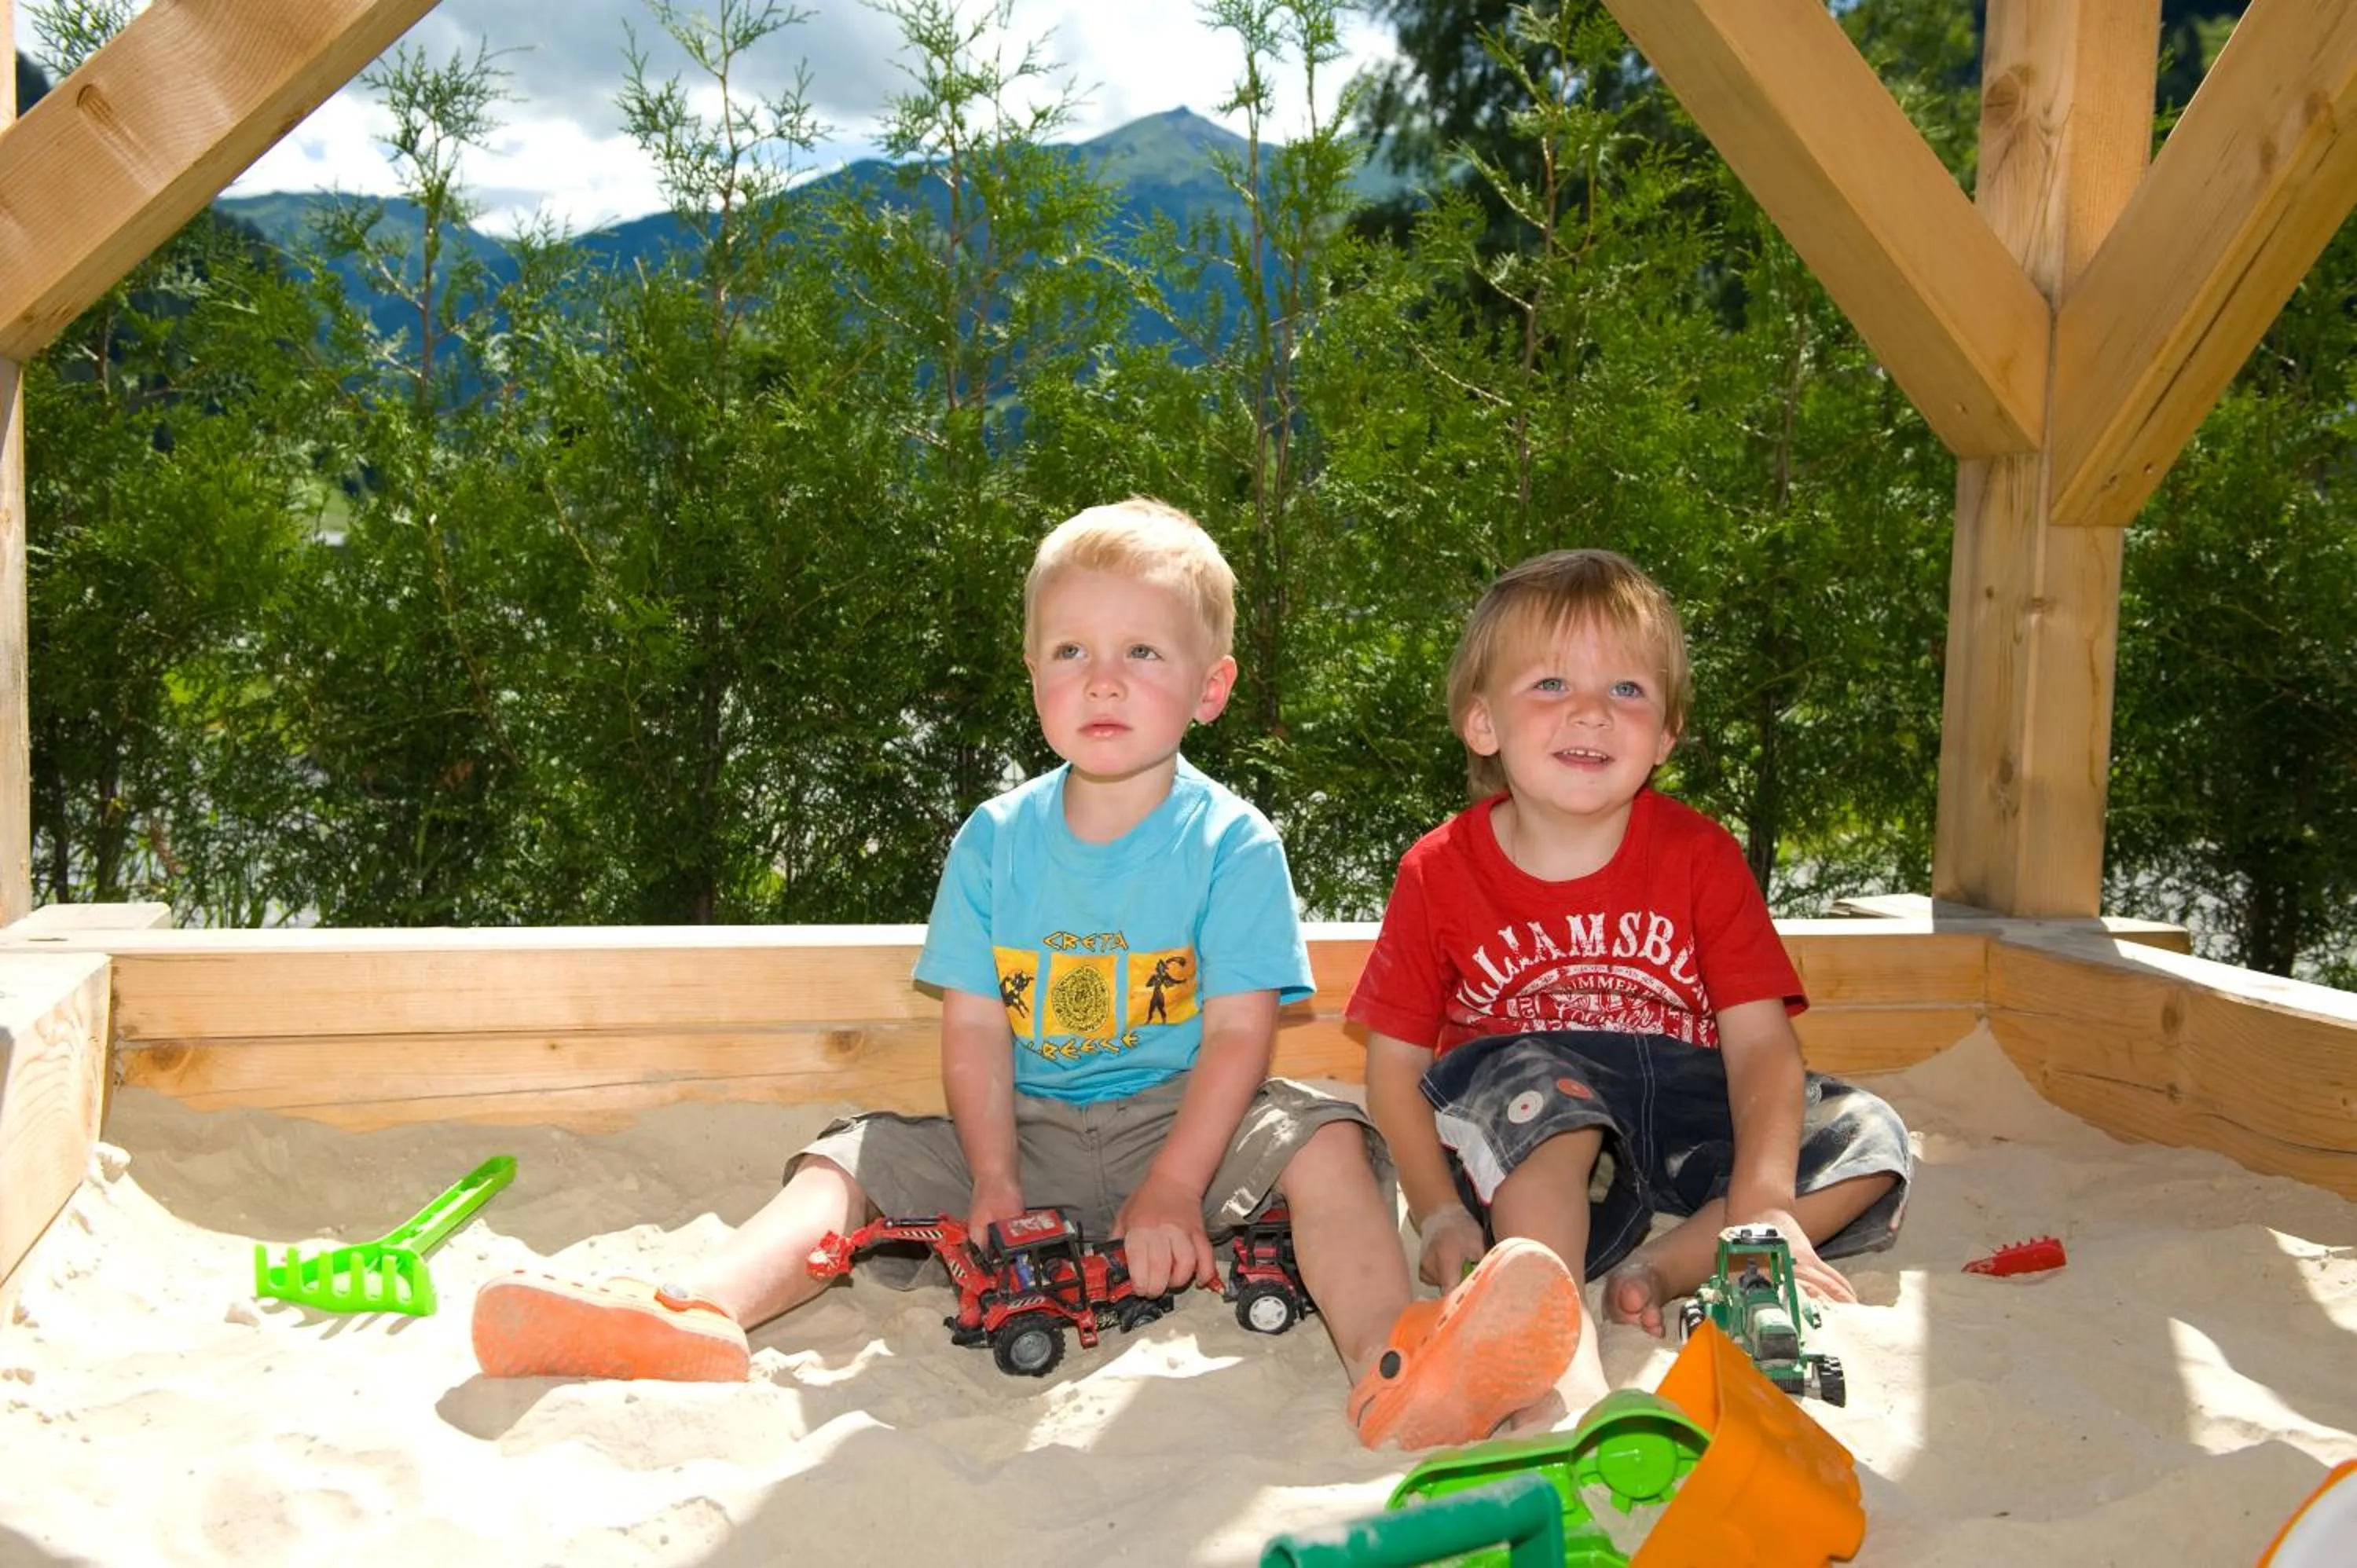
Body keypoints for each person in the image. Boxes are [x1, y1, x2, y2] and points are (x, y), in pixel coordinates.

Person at [470, 498, 1579, 1451]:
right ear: (1035, 674)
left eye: (1143, 653)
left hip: (1180, 1125)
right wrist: (994, 1179)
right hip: (1026, 1128)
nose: (1103, 680)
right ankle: (698, 1311)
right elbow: (975, 1033)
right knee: (848, 1155)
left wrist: (1176, 1187)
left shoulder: (1233, 842)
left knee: (1332, 1142)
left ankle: (1396, 1366)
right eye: (1070, 653)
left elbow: (1240, 1040)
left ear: (1210, 687)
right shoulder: (996, 839)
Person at [1347, 548, 1911, 1416]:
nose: (1591, 713)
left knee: (1868, 1135)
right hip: (1529, 1118)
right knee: (1549, 1100)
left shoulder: (1702, 856)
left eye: (1627, 691)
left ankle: (1674, 1264)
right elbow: (1392, 1069)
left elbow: (1761, 1047)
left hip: (1677, 1100)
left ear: (1666, 734)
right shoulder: (1439, 871)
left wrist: (1764, 1209)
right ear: (1483, 722)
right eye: (1549, 685)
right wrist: (1436, 1212)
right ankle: (1557, 1333)